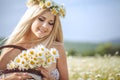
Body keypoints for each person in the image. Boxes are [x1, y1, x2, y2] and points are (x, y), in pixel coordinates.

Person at [0, 0, 68, 80]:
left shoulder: (57, 49)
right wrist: (5, 78)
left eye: (51, 23)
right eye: (41, 19)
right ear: (30, 19)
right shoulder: (11, 50)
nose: (45, 26)